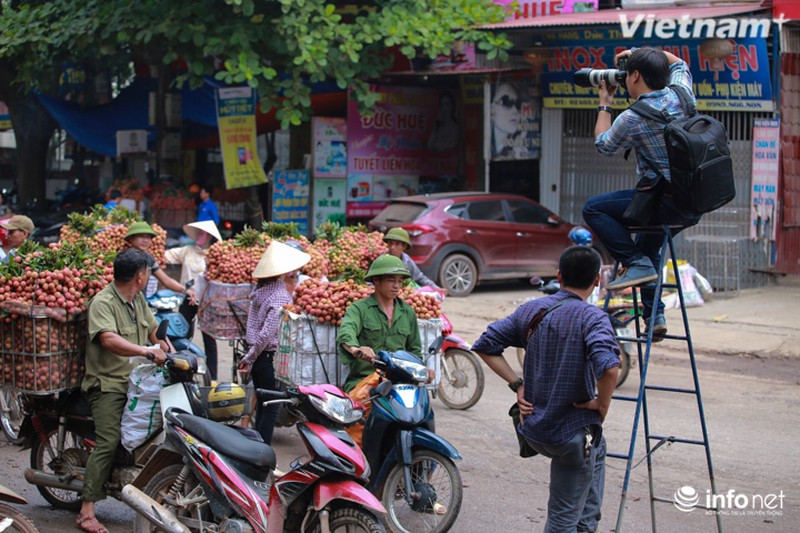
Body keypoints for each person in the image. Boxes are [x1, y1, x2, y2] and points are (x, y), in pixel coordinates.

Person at [473, 246, 620, 533]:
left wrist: (518, 384)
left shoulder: (532, 309)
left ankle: (586, 526)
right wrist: (601, 406)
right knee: (561, 522)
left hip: (536, 430)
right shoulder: (593, 318)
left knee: (598, 450)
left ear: (559, 276)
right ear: (597, 282)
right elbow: (610, 369)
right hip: (571, 438)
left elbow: (484, 345)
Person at [583, 47, 701, 339]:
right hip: (694, 202)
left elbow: (604, 145)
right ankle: (655, 314)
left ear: (634, 75)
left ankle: (636, 264)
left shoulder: (632, 117)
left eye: (628, 74)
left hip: (662, 201)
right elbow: (680, 63)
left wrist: (605, 102)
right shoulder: (682, 94)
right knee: (649, 248)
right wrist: (639, 52)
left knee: (593, 209)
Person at [77, 248, 169, 533]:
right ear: (140, 276)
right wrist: (146, 351)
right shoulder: (103, 302)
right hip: (107, 384)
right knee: (108, 440)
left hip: (138, 381)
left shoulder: (137, 299)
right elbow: (108, 339)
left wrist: (171, 350)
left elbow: (155, 331)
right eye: (147, 272)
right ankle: (86, 510)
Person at [337, 254, 426, 446]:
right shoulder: (359, 309)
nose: (397, 286)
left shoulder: (408, 312)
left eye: (400, 281)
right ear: (376, 281)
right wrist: (356, 349)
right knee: (357, 429)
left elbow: (415, 351)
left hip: (398, 384)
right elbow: (346, 335)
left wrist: (424, 369)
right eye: (391, 280)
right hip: (365, 382)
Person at [238, 241, 310, 444]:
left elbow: (257, 331)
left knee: (263, 404)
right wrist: (250, 357)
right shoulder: (279, 295)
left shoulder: (261, 291)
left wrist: (251, 356)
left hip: (259, 357)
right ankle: (261, 451)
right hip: (267, 357)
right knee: (270, 407)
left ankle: (256, 447)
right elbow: (267, 334)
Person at [163, 220, 222, 380]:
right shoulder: (187, 251)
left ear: (210, 236)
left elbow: (219, 280)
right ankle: (183, 370)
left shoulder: (216, 254)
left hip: (207, 302)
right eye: (199, 232)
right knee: (182, 335)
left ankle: (213, 377)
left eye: (203, 233)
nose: (200, 236)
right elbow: (165, 257)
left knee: (209, 340)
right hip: (187, 298)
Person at [124, 221, 187, 298]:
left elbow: (166, 280)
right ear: (131, 238)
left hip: (141, 303)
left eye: (148, 237)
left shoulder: (149, 259)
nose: (145, 240)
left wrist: (185, 290)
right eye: (141, 236)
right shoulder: (124, 258)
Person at [382, 227, 444, 293]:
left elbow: (420, 277)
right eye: (390, 243)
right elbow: (371, 282)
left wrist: (436, 288)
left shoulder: (407, 261)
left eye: (397, 244)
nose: (392, 247)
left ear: (404, 246)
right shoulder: (381, 260)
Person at [491, 82, 523, 159]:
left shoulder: (519, 147)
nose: (515, 111)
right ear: (492, 109)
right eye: (507, 102)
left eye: (517, 105)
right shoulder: (486, 142)